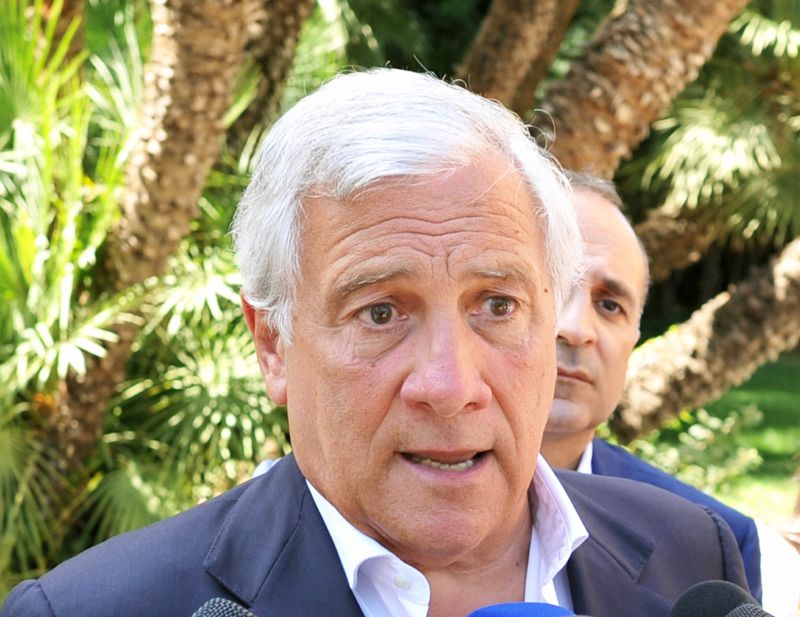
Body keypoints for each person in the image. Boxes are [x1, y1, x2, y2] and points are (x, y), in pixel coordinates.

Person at [1, 69, 747, 617]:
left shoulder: (692, 555)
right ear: (273, 343)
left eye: (497, 305)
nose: (451, 386)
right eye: (381, 313)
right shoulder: (94, 610)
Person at [539, 171, 763, 602]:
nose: (576, 328)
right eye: (555, 287)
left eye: (610, 305)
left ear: (634, 338)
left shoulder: (705, 546)